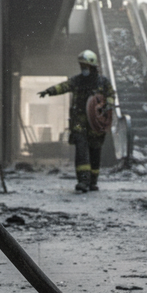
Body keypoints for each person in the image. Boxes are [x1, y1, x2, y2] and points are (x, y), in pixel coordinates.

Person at [38, 50, 116, 193]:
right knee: (81, 149)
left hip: (96, 124)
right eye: (82, 66)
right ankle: (83, 181)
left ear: (92, 66)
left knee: (95, 151)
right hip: (79, 122)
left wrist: (107, 105)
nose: (83, 69)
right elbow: (64, 86)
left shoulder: (103, 82)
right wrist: (49, 91)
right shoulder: (77, 81)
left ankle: (93, 182)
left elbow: (111, 95)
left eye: (85, 66)